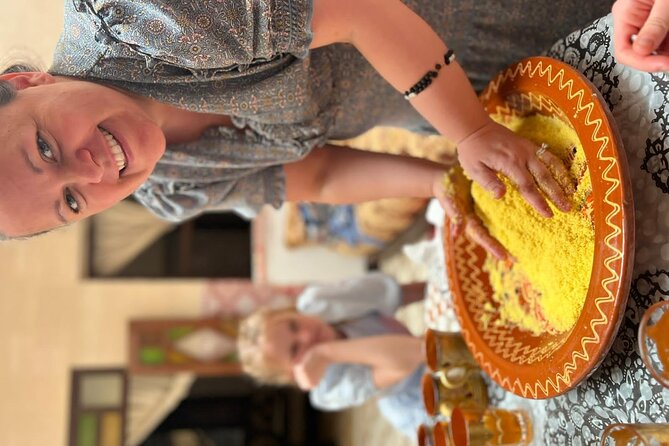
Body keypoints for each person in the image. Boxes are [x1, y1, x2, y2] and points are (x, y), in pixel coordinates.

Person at [0, 0, 620, 243]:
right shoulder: (171, 188)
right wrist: (442, 181)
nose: (90, 172)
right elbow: (318, 175)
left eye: (46, 149)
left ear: (24, 83)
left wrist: (472, 135)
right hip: (460, 106)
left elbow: (364, 15)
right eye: (72, 202)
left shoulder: (142, 21)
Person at [236, 272, 429, 438]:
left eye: (294, 325)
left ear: (293, 310)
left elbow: (396, 293)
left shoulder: (319, 302)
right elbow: (416, 351)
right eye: (295, 349)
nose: (307, 335)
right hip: (418, 393)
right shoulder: (326, 390)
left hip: (424, 345)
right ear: (293, 374)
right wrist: (327, 353)